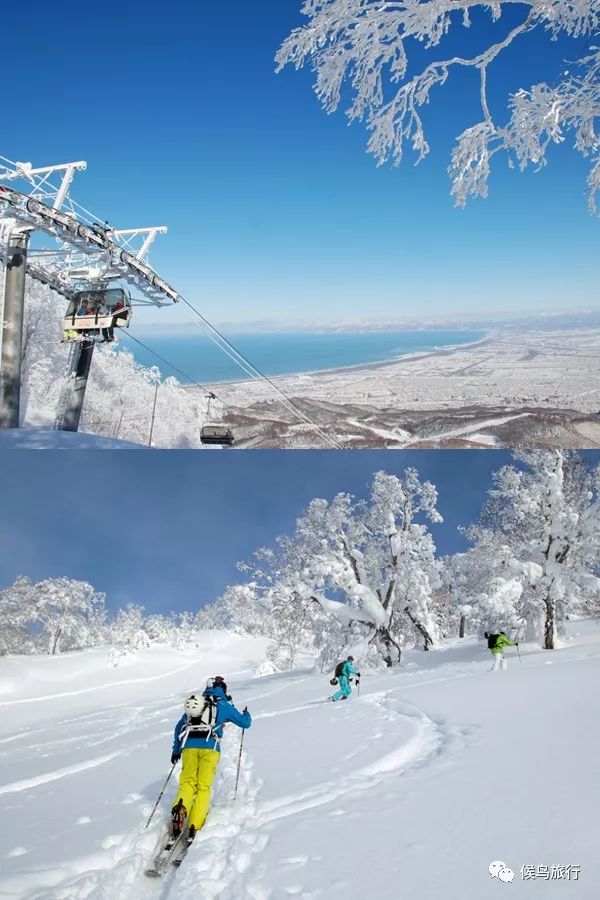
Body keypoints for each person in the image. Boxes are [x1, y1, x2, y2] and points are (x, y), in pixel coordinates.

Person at [170, 677, 251, 841]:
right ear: (223, 690)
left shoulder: (197, 703)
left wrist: (176, 750)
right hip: (210, 748)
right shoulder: (222, 705)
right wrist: (246, 713)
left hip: (189, 747)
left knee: (187, 783)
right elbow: (245, 723)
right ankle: (194, 825)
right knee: (203, 787)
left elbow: (179, 727)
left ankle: (180, 808)